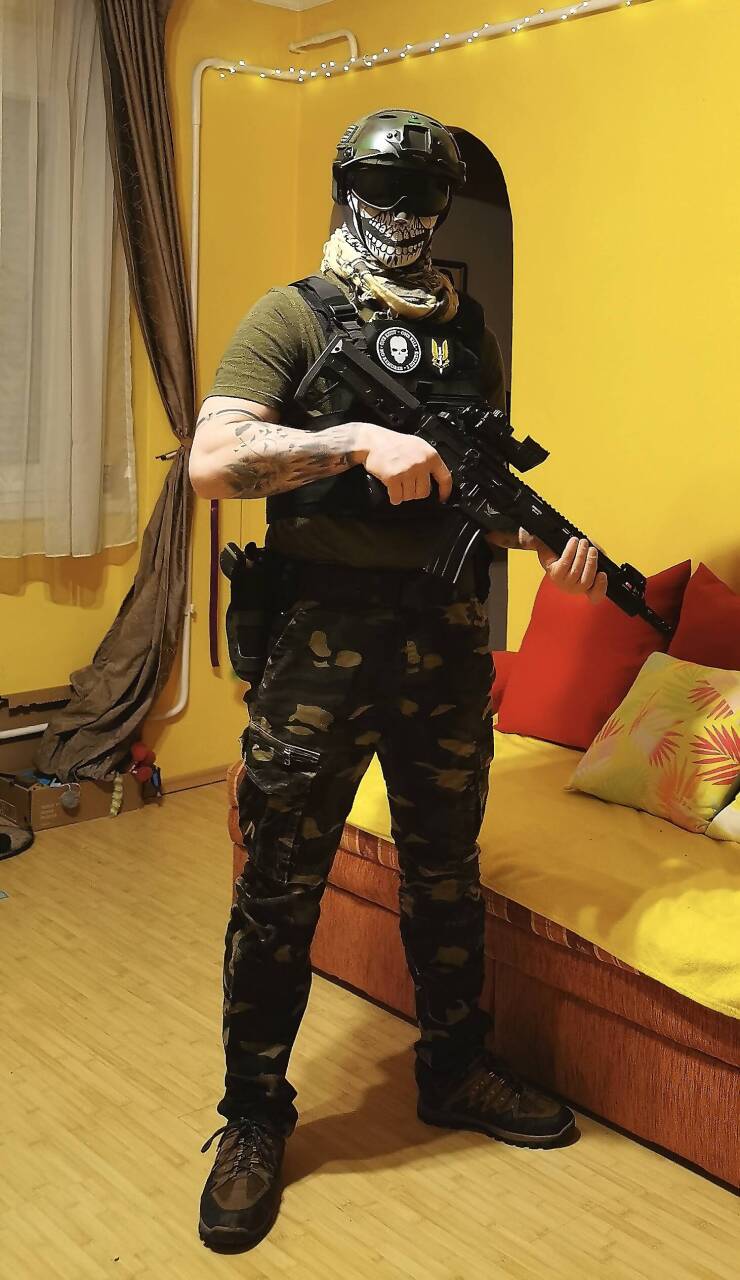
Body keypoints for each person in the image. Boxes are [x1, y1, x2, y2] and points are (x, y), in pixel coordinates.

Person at [189, 108, 608, 1252]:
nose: (405, 216)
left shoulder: (466, 334)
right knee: (280, 882)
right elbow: (213, 460)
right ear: (347, 192)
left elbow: (470, 488)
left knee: (444, 871)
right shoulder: (292, 314)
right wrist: (354, 442)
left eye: (425, 197)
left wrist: (541, 545)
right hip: (317, 642)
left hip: (442, 639)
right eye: (384, 191)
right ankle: (252, 1115)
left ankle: (454, 1066)